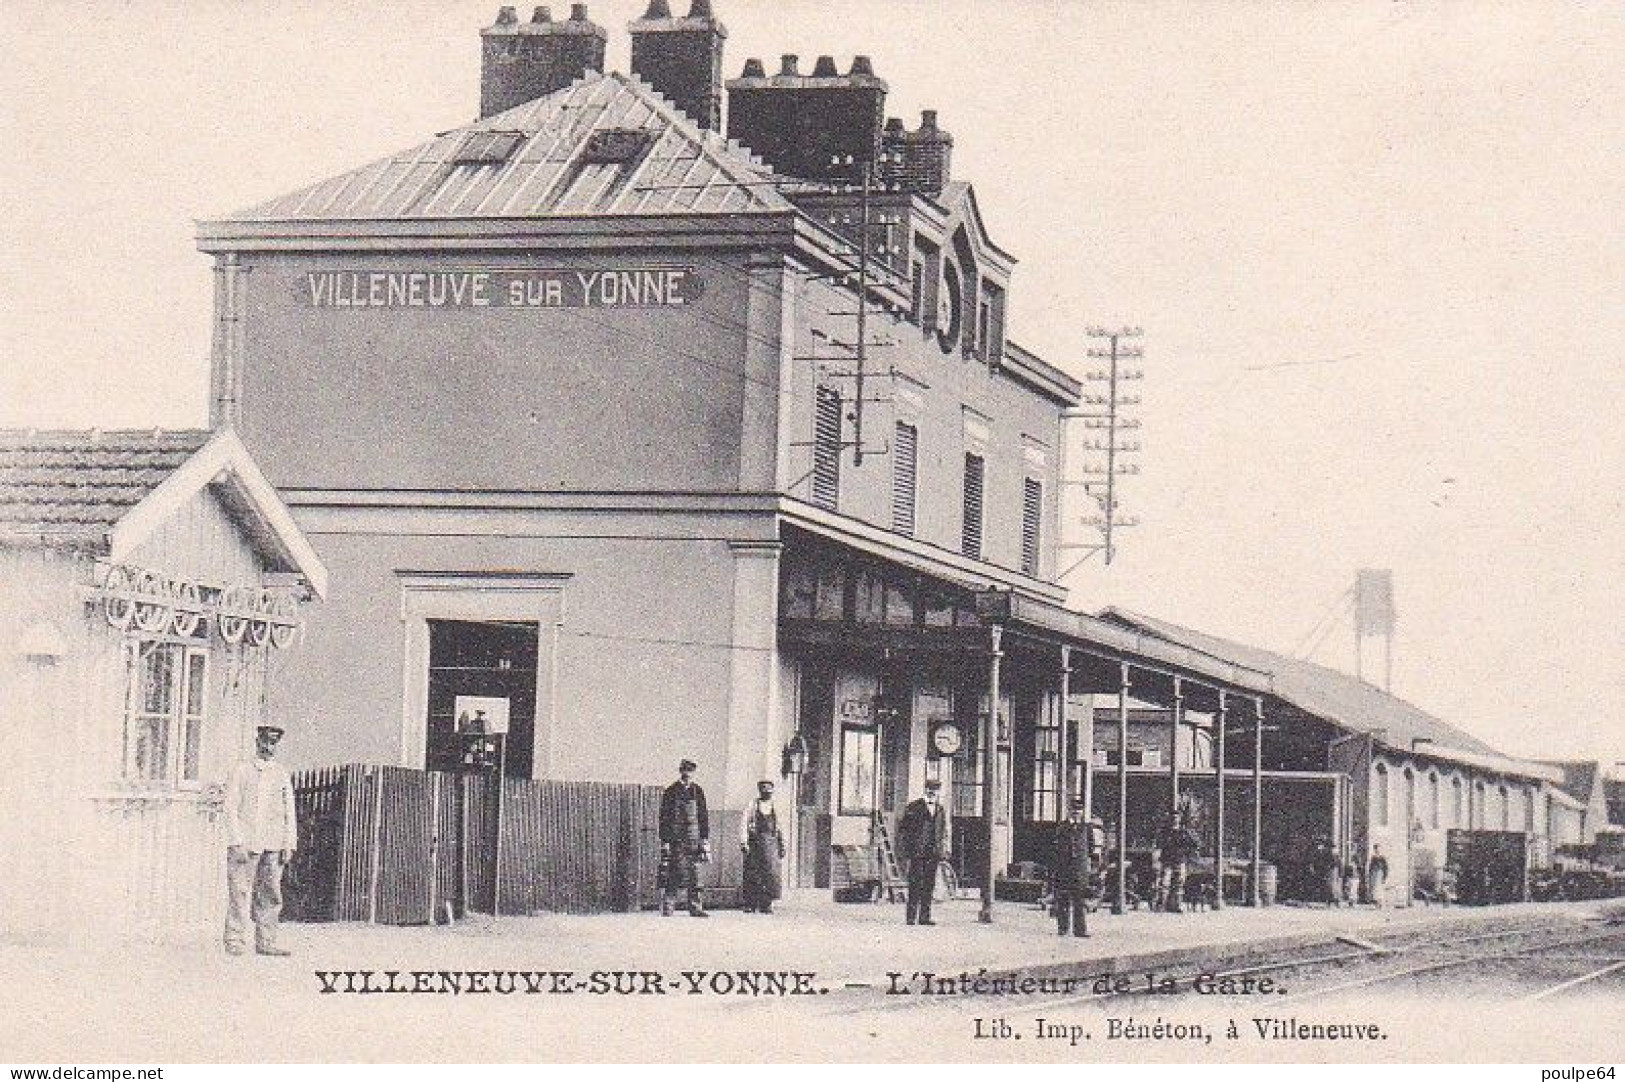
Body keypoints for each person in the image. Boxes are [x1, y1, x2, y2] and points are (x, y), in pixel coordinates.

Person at [223, 722, 298, 956]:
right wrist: (236, 840)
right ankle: (234, 940)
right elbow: (230, 807)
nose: (269, 747)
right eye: (265, 742)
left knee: (271, 893)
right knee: (239, 892)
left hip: (273, 843)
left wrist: (289, 843)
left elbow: (289, 811)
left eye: (273, 743)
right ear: (257, 742)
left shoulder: (281, 774)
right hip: (246, 842)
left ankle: (266, 941)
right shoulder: (242, 771)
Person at [659, 759, 710, 917]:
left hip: (694, 837)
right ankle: (668, 908)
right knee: (674, 870)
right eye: (685, 770)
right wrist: (665, 840)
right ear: (680, 771)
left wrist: (704, 839)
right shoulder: (671, 791)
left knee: (695, 873)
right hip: (676, 837)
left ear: (694, 772)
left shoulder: (698, 791)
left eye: (690, 771)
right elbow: (664, 818)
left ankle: (695, 907)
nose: (687, 773)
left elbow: (703, 816)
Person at [895, 779, 951, 926]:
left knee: (929, 885)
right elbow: (903, 829)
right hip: (917, 853)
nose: (932, 792)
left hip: (933, 853)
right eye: (930, 789)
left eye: (935, 789)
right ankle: (911, 917)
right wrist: (908, 849)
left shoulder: (940, 810)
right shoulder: (914, 807)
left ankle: (924, 917)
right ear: (925, 789)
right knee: (915, 884)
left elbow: (943, 831)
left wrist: (943, 848)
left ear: (938, 792)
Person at [1051, 806, 1099, 937]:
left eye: (1079, 811)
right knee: (1063, 899)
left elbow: (1090, 847)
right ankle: (1063, 928)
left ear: (1082, 813)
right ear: (1069, 812)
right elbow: (1056, 846)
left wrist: (1086, 864)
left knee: (1080, 900)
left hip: (1079, 869)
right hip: (1065, 868)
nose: (1076, 813)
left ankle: (1080, 930)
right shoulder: (1062, 826)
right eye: (1074, 811)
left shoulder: (1086, 828)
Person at [739, 779, 785, 914]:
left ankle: (766, 904)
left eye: (769, 789)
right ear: (760, 790)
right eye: (764, 789)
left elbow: (781, 827)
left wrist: (783, 845)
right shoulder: (752, 805)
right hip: (755, 844)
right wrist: (743, 842)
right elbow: (744, 823)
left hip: (771, 844)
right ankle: (750, 904)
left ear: (772, 790)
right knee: (752, 873)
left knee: (770, 874)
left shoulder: (775, 806)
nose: (767, 791)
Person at [1155, 807, 1201, 912]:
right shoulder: (1165, 831)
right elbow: (1159, 844)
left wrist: (1187, 852)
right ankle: (1161, 905)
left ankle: (1176, 905)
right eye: (1172, 817)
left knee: (1179, 883)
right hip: (1167, 859)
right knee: (1164, 883)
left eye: (1176, 817)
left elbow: (1195, 843)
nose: (1174, 820)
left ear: (1179, 819)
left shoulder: (1184, 831)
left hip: (1180, 859)